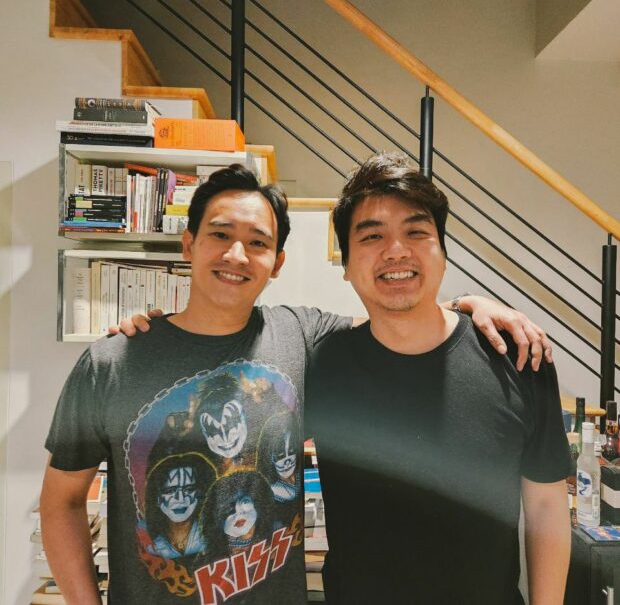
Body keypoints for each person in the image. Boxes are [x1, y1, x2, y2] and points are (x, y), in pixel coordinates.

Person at [41, 164, 553, 605]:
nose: (237, 255)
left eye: (258, 243)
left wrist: (471, 305)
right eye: (220, 235)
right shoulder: (111, 362)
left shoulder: (302, 337)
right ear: (189, 243)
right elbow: (61, 501)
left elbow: (400, 314)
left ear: (277, 262)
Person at [306, 153, 571, 604]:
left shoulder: (518, 355)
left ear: (443, 255)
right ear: (346, 265)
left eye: (416, 232)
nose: (396, 251)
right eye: (372, 236)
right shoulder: (322, 363)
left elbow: (546, 504)